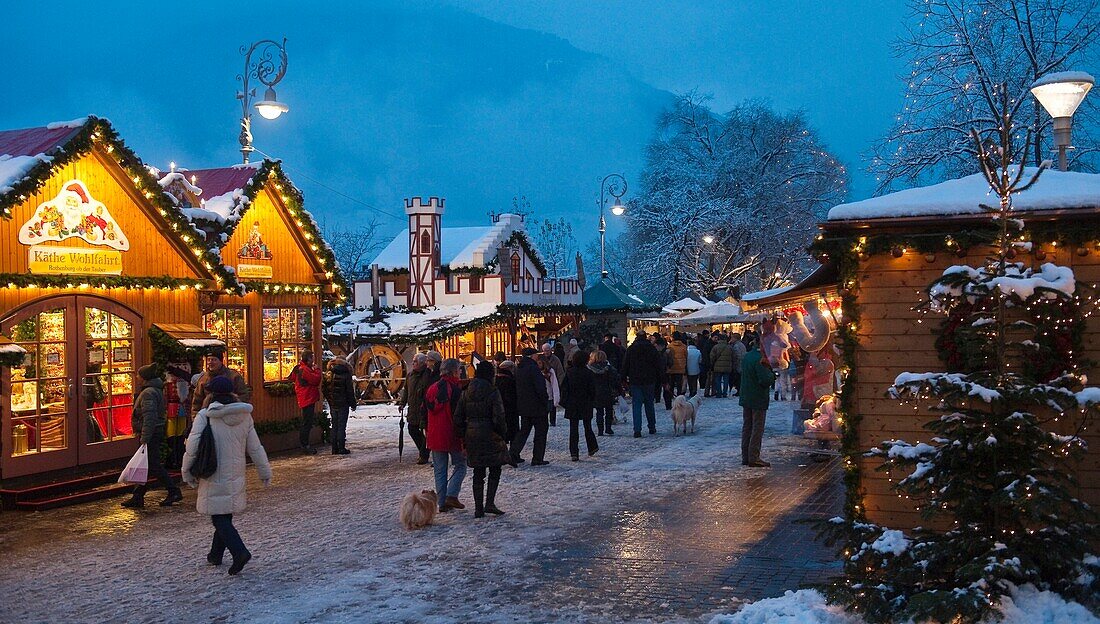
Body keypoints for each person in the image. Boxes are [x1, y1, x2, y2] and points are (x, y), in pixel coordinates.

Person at [181, 375, 271, 575]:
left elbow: (193, 448)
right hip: (236, 473)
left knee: (219, 518)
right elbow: (255, 447)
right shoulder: (244, 416)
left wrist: (186, 471)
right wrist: (264, 470)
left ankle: (239, 552)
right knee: (224, 513)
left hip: (213, 472)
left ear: (210, 394)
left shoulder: (206, 416)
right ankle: (215, 555)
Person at [454, 361, 512, 518]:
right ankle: (490, 503)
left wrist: (463, 436)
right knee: (495, 468)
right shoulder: (493, 391)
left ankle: (478, 508)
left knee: (478, 472)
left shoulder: (466, 392)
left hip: (472, 435)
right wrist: (502, 433)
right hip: (490, 433)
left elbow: (458, 417)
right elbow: (499, 416)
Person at [122, 365, 183, 508]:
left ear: (144, 378)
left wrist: (145, 437)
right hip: (154, 431)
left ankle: (173, 490)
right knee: (147, 465)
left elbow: (150, 416)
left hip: (152, 432)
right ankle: (138, 496)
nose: (137, 377)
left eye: (138, 375)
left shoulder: (148, 393)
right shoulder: (154, 390)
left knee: (153, 464)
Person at [424, 358, 467, 512]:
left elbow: (425, 411)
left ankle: (442, 503)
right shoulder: (455, 389)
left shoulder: (432, 388)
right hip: (452, 434)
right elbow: (459, 416)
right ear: (454, 371)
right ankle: (451, 495)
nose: (461, 372)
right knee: (461, 465)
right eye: (459, 370)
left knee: (440, 470)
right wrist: (463, 440)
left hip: (435, 435)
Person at [739, 341, 777, 467]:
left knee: (747, 426)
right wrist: (773, 375)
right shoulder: (761, 360)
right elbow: (765, 380)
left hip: (746, 396)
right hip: (757, 397)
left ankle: (746, 456)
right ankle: (754, 457)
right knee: (757, 427)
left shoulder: (748, 356)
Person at [511, 347, 551, 465]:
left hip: (524, 405)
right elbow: (540, 388)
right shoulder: (533, 368)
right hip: (537, 406)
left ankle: (513, 453)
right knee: (540, 432)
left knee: (523, 431)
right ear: (532, 356)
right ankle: (537, 457)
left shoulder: (519, 368)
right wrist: (545, 401)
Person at [621, 331, 661, 437]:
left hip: (635, 380)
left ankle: (637, 430)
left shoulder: (631, 349)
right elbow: (658, 365)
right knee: (649, 404)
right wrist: (663, 380)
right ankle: (652, 427)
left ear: (636, 337)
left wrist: (623, 378)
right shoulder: (651, 349)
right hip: (649, 380)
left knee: (637, 405)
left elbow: (625, 364)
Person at [560, 350, 598, 460]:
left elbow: (564, 388)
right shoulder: (589, 373)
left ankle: (574, 453)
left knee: (573, 429)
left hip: (572, 402)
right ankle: (592, 447)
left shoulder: (569, 372)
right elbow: (592, 389)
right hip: (585, 402)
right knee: (588, 427)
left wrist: (565, 401)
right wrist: (592, 400)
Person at [190, 349, 250, 419]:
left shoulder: (234, 376)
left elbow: (243, 395)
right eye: (209, 360)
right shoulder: (203, 379)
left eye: (214, 360)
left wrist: (234, 408)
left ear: (221, 361)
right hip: (209, 418)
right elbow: (197, 401)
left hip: (231, 416)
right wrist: (196, 418)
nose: (210, 362)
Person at [399, 353, 432, 464]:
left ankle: (424, 455)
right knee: (412, 429)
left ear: (423, 364)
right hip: (413, 408)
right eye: (413, 361)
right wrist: (402, 403)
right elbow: (406, 391)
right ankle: (423, 451)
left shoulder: (428, 375)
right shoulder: (410, 376)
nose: (413, 363)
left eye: (415, 362)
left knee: (425, 432)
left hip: (423, 408)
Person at [288, 350, 323, 454]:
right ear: (308, 359)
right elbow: (316, 380)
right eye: (312, 358)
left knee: (306, 422)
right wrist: (317, 370)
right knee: (307, 423)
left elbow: (291, 378)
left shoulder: (300, 368)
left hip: (304, 397)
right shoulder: (305, 370)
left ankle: (305, 445)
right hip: (307, 398)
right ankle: (305, 445)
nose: (313, 360)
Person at [322, 356, 356, 455]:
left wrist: (330, 400)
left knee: (335, 425)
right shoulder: (346, 373)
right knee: (341, 426)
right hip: (343, 404)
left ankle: (334, 448)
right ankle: (341, 448)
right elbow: (349, 391)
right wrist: (353, 404)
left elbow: (324, 388)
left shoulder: (328, 373)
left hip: (333, 404)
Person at [588, 350, 620, 436]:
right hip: (608, 391)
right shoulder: (609, 368)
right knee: (609, 411)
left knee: (599, 412)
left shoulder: (590, 368)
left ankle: (600, 430)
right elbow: (615, 379)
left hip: (596, 392)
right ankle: (608, 428)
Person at [494, 359, 519, 444]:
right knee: (513, 434)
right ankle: (513, 455)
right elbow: (511, 398)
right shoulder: (510, 381)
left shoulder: (495, 380)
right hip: (510, 412)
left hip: (499, 412)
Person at [540, 343, 565, 426]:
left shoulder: (555, 359)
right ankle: (544, 420)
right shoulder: (541, 359)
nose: (546, 352)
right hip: (544, 383)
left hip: (553, 383)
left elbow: (560, 372)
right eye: (544, 351)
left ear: (550, 350)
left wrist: (560, 383)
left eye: (547, 350)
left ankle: (552, 420)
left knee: (552, 403)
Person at [709, 334, 734, 398]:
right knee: (726, 380)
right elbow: (733, 356)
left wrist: (712, 364)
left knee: (718, 380)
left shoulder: (715, 347)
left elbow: (712, 357)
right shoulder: (729, 347)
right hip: (727, 366)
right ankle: (725, 393)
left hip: (717, 366)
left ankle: (719, 393)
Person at [653, 335, 674, 410]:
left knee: (664, 388)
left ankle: (665, 403)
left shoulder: (658, 353)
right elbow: (671, 362)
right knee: (664, 388)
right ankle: (664, 403)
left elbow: (671, 362)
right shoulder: (666, 352)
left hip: (663, 373)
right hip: (663, 372)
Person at [668, 332, 688, 398]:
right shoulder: (684, 346)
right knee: (679, 383)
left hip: (671, 367)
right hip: (681, 367)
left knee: (672, 383)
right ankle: (679, 395)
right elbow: (686, 356)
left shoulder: (669, 346)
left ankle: (671, 395)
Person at [696, 331, 713, 397]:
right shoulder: (706, 341)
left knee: (702, 374)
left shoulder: (700, 341)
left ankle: (702, 385)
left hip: (702, 360)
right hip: (705, 360)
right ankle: (703, 386)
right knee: (705, 375)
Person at [731, 332, 748, 397]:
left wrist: (734, 364)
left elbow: (737, 356)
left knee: (738, 379)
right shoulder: (742, 345)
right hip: (742, 364)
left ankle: (739, 391)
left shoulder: (736, 346)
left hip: (739, 364)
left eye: (732, 338)